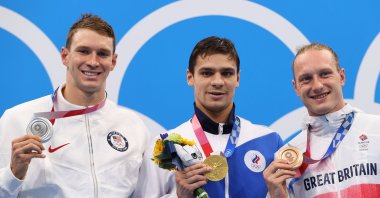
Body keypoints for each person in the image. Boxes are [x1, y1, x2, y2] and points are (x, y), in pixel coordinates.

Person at [0, 14, 150, 197]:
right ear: (65, 56)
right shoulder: (17, 119)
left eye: (102, 53)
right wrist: (13, 173)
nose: (93, 62)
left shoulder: (133, 126)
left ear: (113, 61)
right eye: (83, 51)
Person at [133, 36, 283, 197]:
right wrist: (178, 196)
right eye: (207, 73)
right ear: (190, 77)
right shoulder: (165, 147)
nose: (217, 81)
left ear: (237, 78)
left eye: (226, 73)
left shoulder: (268, 140)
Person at [263, 43, 380, 197]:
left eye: (325, 74)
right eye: (306, 79)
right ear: (296, 87)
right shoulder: (287, 158)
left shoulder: (376, 130)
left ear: (342, 76)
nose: (317, 85)